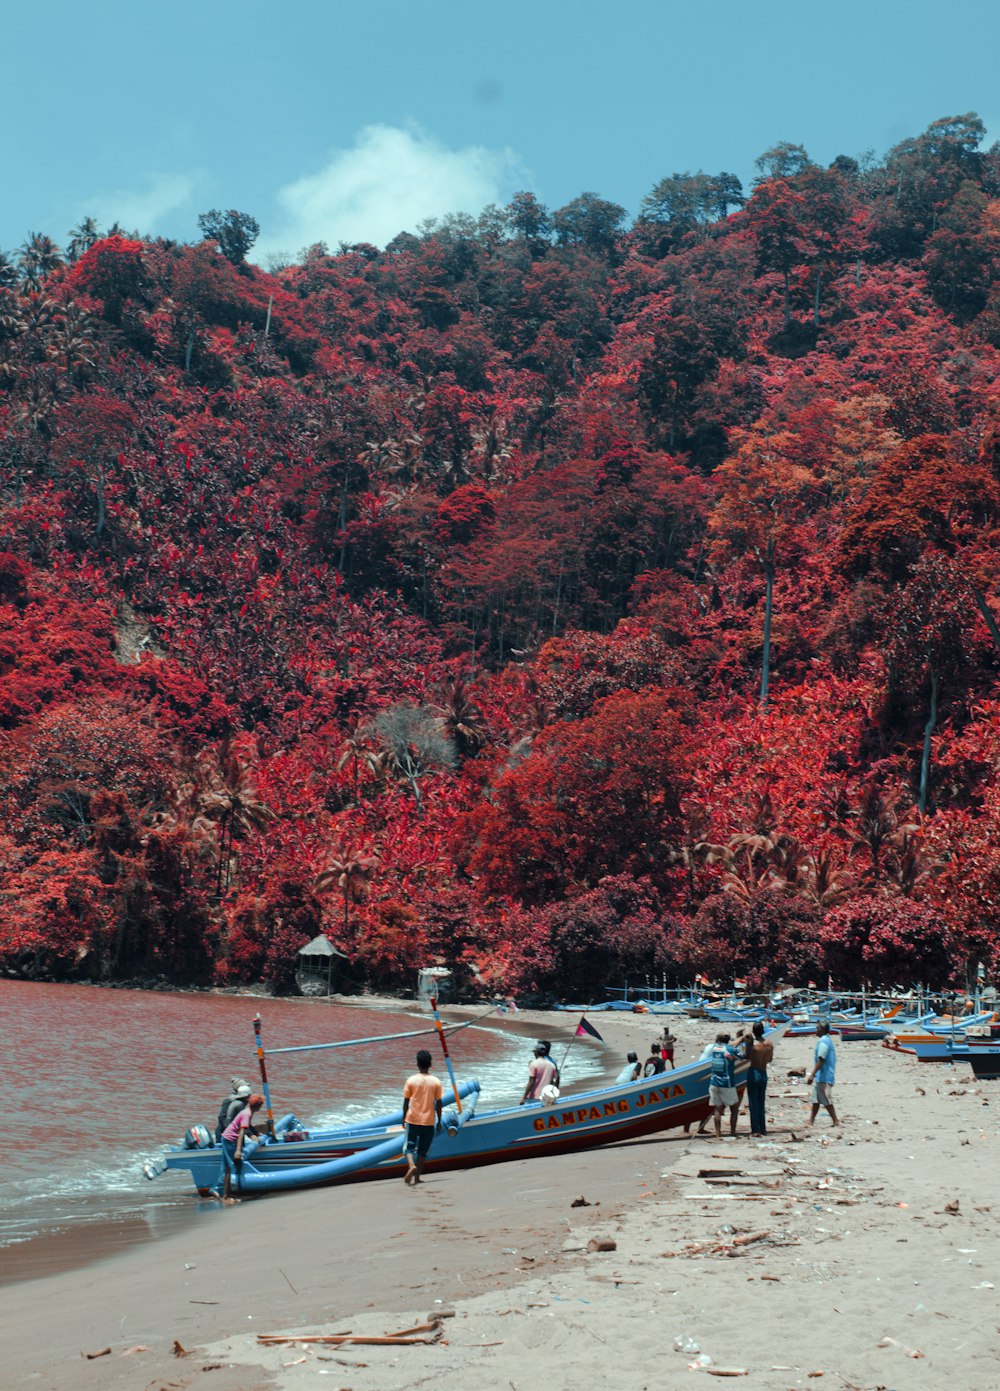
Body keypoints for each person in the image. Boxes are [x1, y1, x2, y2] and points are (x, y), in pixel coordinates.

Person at [402, 1049, 444, 1185]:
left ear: (417, 1064)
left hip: (413, 1119)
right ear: (430, 1064)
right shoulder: (436, 1082)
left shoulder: (411, 1080)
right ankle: (417, 1178)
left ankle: (411, 1165)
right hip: (428, 1121)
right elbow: (439, 1103)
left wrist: (403, 1118)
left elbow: (406, 1101)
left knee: (408, 1148)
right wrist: (439, 1121)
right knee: (422, 1152)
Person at [219, 1092, 264, 1200]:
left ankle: (228, 1194)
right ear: (258, 1106)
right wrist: (238, 1151)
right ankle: (227, 1196)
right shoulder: (247, 1114)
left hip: (226, 1138)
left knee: (228, 1168)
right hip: (230, 1140)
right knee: (232, 1166)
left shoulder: (247, 1111)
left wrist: (256, 1134)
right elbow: (241, 1133)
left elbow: (246, 1128)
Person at [708, 1032, 741, 1138]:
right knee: (734, 1108)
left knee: (718, 1108)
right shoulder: (730, 1049)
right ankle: (733, 1132)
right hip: (727, 1083)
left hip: (714, 1082)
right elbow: (741, 1057)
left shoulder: (713, 1048)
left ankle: (718, 1133)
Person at [807, 1022, 839, 1126]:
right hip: (821, 1076)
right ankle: (811, 1121)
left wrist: (812, 1074)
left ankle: (835, 1120)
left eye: (817, 1028)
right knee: (815, 1099)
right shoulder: (827, 1040)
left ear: (822, 1029)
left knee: (825, 1098)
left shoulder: (823, 1042)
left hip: (824, 1076)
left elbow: (821, 1060)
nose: (816, 1030)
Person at [745, 1021, 774, 1137]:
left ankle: (755, 1129)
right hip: (763, 1072)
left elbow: (747, 1056)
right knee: (761, 1101)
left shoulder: (753, 1045)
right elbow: (770, 1059)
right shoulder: (769, 1044)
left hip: (754, 1071)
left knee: (753, 1102)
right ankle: (763, 1128)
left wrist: (747, 1043)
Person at [214, 1078, 252, 1143]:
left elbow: (244, 1121)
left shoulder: (241, 1102)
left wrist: (254, 1133)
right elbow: (222, 1118)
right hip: (223, 1134)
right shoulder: (229, 1101)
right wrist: (230, 1131)